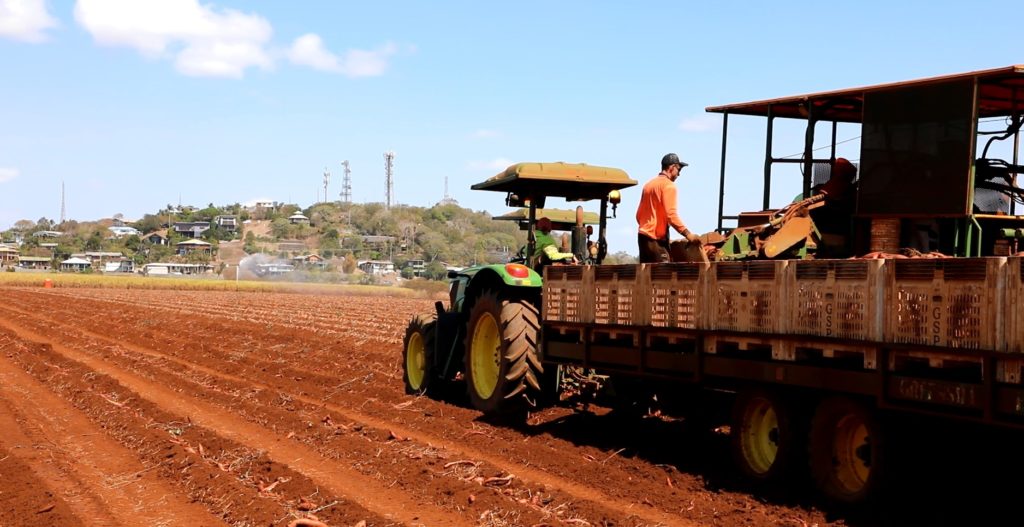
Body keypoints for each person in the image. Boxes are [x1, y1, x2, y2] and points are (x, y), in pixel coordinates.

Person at [636, 153, 700, 263]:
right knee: (664, 276)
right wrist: (688, 235)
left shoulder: (648, 185)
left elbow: (638, 215)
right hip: (655, 239)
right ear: (672, 167)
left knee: (646, 276)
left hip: (642, 239)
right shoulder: (668, 186)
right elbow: (671, 215)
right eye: (679, 170)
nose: (679, 174)